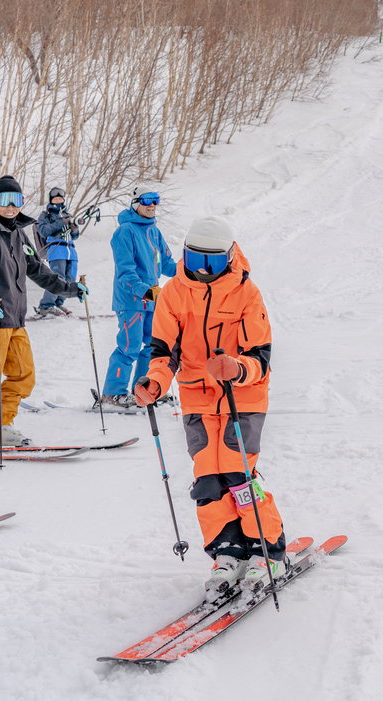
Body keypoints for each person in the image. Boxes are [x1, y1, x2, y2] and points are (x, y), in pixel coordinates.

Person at [133, 216, 286, 592]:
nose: (202, 270)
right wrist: (155, 381)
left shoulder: (246, 293)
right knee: (207, 478)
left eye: (212, 262)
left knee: (238, 474)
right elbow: (163, 351)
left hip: (241, 396)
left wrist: (236, 367)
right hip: (196, 395)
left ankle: (266, 550)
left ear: (230, 257)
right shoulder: (173, 293)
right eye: (193, 259)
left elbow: (260, 358)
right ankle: (227, 550)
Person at [0, 176, 87, 454]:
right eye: (7, 201)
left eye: (18, 201)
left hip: (14, 320)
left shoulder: (17, 233)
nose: (12, 207)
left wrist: (70, 289)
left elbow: (38, 270)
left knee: (23, 376)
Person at [100, 185, 176, 408]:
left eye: (155, 200)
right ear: (135, 204)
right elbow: (126, 272)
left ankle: (143, 391)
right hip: (131, 301)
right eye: (146, 200)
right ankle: (112, 395)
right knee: (129, 346)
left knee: (153, 347)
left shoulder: (154, 231)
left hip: (152, 301)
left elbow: (168, 265)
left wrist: (192, 271)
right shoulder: (125, 232)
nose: (152, 205)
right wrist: (145, 290)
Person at [35, 186, 80, 318]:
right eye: (55, 198)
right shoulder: (46, 215)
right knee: (57, 277)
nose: (58, 200)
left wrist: (75, 228)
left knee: (70, 279)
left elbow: (75, 236)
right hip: (56, 249)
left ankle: (58, 302)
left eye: (60, 198)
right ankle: (46, 305)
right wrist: (61, 222)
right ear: (51, 200)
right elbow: (43, 231)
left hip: (70, 250)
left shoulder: (68, 214)